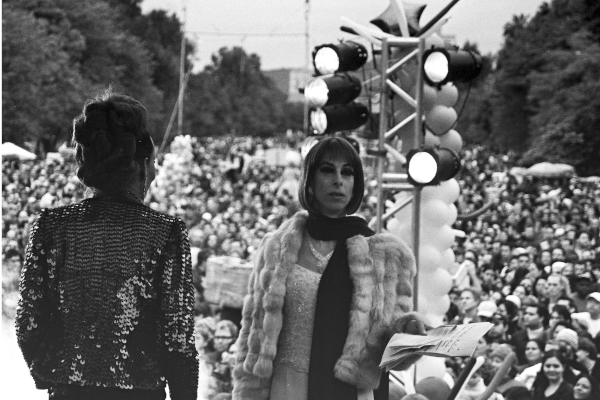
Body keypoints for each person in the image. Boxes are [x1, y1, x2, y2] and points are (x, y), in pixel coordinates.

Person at [16, 91, 198, 400]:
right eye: (154, 163)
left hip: (68, 392)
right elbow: (178, 340)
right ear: (142, 165)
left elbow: (28, 324)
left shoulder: (51, 226)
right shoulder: (166, 232)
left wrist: (56, 373)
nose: (155, 173)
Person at [232, 136, 425, 400]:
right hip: (285, 387)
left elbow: (388, 347)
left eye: (347, 172)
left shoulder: (383, 255)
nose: (338, 180)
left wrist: (409, 331)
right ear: (309, 181)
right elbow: (252, 338)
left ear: (356, 183)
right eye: (327, 170)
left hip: (348, 392)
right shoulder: (276, 248)